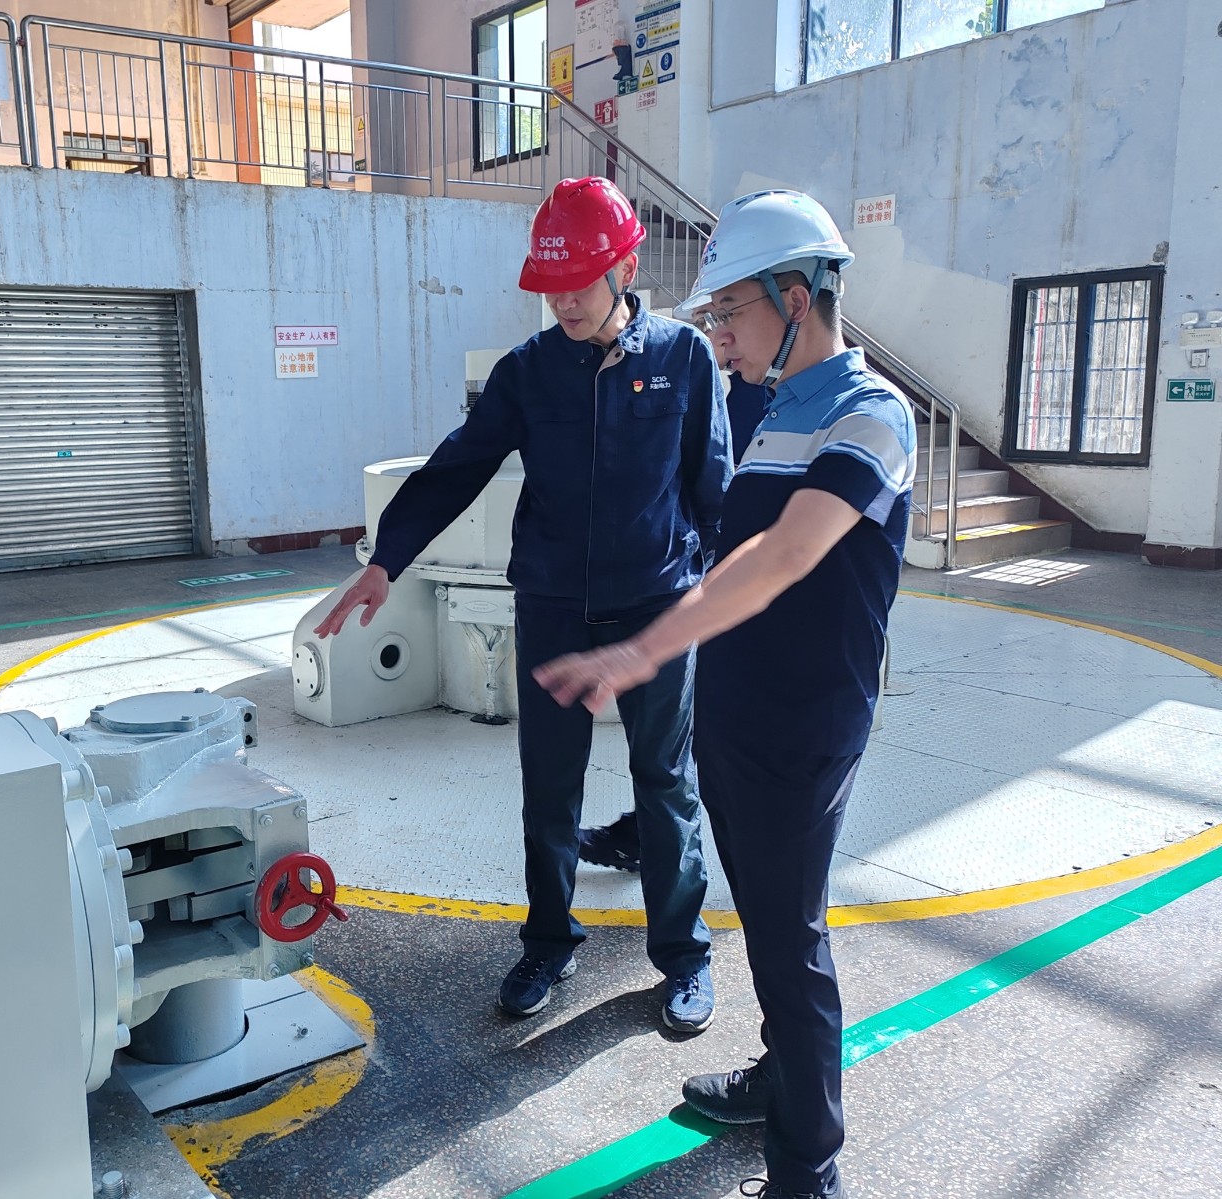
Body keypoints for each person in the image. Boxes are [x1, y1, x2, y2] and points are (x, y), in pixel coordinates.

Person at [534, 190, 916, 1199]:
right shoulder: (768, 406)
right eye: (711, 317)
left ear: (796, 297)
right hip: (737, 713)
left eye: (731, 312)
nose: (720, 336)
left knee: (791, 940)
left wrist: (641, 649)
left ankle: (808, 1164)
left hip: (806, 723)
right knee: (768, 924)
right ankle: (780, 1081)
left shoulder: (871, 414)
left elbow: (784, 555)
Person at [314, 177, 732, 1030]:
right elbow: (456, 468)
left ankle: (683, 954)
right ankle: (548, 941)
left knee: (665, 783)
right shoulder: (529, 373)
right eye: (551, 287)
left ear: (625, 269)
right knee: (549, 788)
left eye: (578, 283)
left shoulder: (684, 359)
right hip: (552, 607)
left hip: (657, 607)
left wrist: (709, 600)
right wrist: (387, 559)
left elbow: (712, 488)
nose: (564, 302)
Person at [577, 341, 771, 873]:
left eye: (730, 316)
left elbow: (723, 489)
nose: (724, 338)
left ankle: (750, 856)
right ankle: (646, 834)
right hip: (711, 582)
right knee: (685, 733)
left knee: (713, 731)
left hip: (745, 584)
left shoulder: (785, 395)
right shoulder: (748, 387)